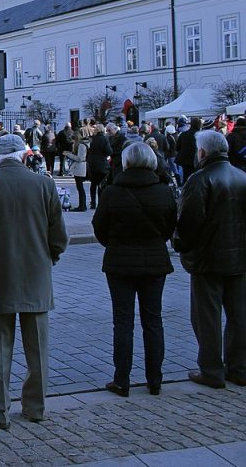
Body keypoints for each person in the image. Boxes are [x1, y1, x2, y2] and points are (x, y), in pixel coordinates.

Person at [0, 134, 68, 429]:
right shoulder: (44, 184)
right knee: (38, 346)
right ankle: (35, 406)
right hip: (36, 274)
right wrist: (49, 257)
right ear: (25, 155)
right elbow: (59, 235)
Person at [91, 142, 177, 397]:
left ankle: (122, 379)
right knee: (153, 320)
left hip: (120, 261)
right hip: (154, 259)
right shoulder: (164, 192)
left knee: (123, 321)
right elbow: (170, 227)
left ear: (126, 162)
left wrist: (115, 243)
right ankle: (155, 379)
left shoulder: (112, 192)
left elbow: (100, 228)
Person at [174, 129, 246, 388]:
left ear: (202, 152)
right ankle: (238, 368)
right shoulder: (241, 177)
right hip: (238, 258)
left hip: (208, 260)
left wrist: (181, 245)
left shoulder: (199, 179)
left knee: (207, 318)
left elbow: (189, 223)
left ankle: (212, 370)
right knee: (238, 316)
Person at [87, 124, 113, 209]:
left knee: (93, 184)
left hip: (92, 164)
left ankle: (93, 202)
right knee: (101, 185)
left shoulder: (92, 139)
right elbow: (109, 151)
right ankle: (100, 203)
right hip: (102, 165)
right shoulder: (104, 139)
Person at [64, 132, 89, 212]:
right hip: (79, 167)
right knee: (79, 188)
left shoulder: (81, 145)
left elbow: (80, 158)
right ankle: (82, 205)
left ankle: (82, 205)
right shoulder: (81, 145)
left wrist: (69, 155)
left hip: (80, 168)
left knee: (80, 188)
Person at [175, 117, 202, 184]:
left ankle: (185, 191)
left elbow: (177, 147)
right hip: (197, 160)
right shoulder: (201, 135)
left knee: (186, 177)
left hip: (185, 160)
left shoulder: (183, 134)